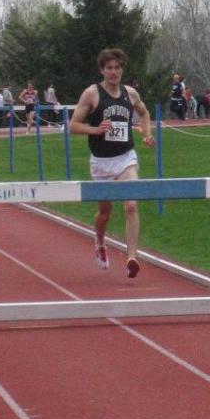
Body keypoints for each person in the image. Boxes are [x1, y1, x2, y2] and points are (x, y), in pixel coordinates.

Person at [69, 47, 154, 278]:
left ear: (122, 69)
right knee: (105, 212)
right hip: (101, 162)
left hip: (126, 157)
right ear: (102, 70)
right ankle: (99, 240)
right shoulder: (92, 94)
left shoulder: (131, 94)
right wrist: (96, 129)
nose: (114, 72)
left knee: (131, 205)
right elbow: (73, 125)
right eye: (109, 68)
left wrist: (146, 134)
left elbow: (144, 114)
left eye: (117, 68)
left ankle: (132, 258)